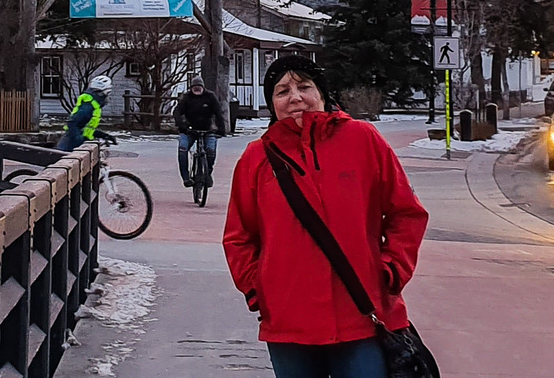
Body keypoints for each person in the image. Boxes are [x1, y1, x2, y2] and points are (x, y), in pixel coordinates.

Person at [222, 56, 428, 378]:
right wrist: (258, 289)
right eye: (282, 91)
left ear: (321, 93)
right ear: (272, 103)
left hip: (361, 315)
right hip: (289, 325)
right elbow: (239, 237)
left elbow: (407, 213)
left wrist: (392, 270)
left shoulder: (363, 140)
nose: (295, 97)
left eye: (304, 86)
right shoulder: (256, 159)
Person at [174, 77, 226, 187]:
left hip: (208, 129)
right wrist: (182, 126)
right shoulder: (187, 98)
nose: (197, 89)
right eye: (194, 87)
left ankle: (207, 173)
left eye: (199, 87)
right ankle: (186, 177)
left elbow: (218, 113)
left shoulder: (210, 97)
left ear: (203, 87)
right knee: (182, 149)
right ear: (191, 88)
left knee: (211, 151)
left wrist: (221, 128)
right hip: (190, 130)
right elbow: (177, 112)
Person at [57, 74, 113, 151]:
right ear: (102, 92)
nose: (108, 96)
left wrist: (104, 135)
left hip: (72, 144)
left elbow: (85, 127)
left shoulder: (94, 103)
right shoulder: (88, 104)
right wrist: (78, 139)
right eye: (108, 92)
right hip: (69, 145)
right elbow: (72, 123)